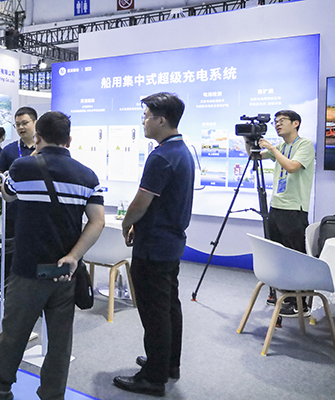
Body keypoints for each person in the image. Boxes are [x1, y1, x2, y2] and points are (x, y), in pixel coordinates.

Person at [0, 111, 105, 400]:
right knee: (60, 341)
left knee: (14, 332)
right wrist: (74, 256)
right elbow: (97, 221)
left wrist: (31, 156)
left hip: (27, 269)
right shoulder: (88, 176)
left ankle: (1, 383)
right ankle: (52, 394)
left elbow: (7, 195)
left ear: (38, 136)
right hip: (65, 271)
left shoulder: (22, 167)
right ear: (69, 140)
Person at [114, 92, 194, 398]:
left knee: (154, 312)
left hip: (153, 245)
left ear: (161, 120)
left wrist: (126, 223)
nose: (143, 122)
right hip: (170, 243)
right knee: (169, 305)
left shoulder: (161, 156)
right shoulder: (181, 151)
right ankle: (168, 363)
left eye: (146, 116)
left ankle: (152, 378)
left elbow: (141, 201)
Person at [0, 107, 38, 317]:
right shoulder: (10, 150)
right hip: (13, 213)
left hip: (38, 215)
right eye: (17, 124)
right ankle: (2, 300)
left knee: (35, 257)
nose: (21, 127)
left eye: (25, 123)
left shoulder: (44, 149)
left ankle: (33, 302)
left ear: (35, 123)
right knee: (8, 257)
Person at [253, 110, 315, 317]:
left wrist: (272, 148)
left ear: (295, 123)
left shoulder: (304, 145)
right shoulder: (281, 146)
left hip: (294, 209)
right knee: (278, 256)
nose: (277, 124)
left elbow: (291, 167)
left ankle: (301, 304)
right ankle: (285, 296)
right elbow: (255, 157)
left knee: (295, 256)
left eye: (282, 121)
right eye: (275, 122)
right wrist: (249, 139)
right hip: (277, 206)